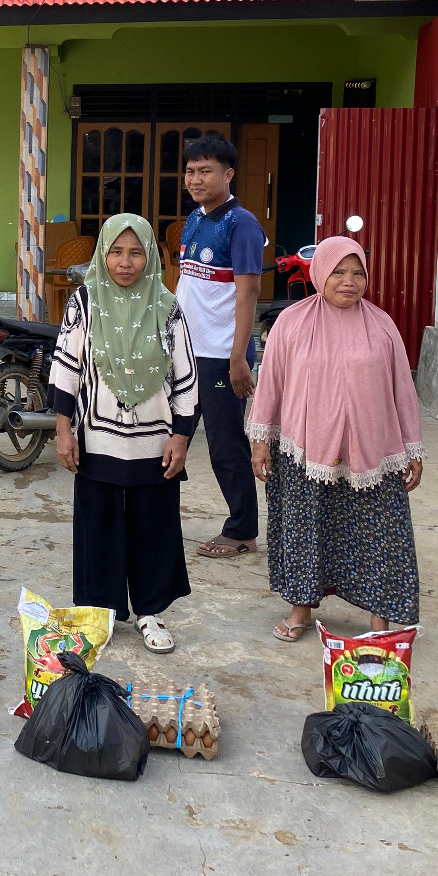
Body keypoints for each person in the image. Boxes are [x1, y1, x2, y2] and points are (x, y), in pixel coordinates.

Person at [246, 237, 424, 641]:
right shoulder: (291, 322)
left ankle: (380, 625)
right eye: (339, 272)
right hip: (304, 452)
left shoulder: (382, 325)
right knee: (306, 529)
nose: (349, 281)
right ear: (320, 273)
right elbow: (270, 386)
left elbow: (402, 390)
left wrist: (412, 447)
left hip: (373, 454)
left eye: (357, 272)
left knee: (379, 534)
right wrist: (260, 442)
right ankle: (300, 611)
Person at [51, 214, 197, 653]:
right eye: (117, 252)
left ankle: (150, 613)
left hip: (155, 443)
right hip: (98, 440)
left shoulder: (168, 307)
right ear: (103, 254)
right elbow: (66, 367)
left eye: (136, 252)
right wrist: (64, 429)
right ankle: (101, 616)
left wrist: (182, 436)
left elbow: (186, 375)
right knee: (98, 527)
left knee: (154, 527)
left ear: (150, 255)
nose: (126, 262)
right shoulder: (85, 302)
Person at [175, 135, 266, 559]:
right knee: (172, 434)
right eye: (191, 170)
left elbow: (248, 294)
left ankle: (243, 529)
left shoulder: (241, 223)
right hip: (185, 351)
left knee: (225, 444)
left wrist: (238, 356)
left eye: (205, 170)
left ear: (228, 175)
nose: (195, 178)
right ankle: (159, 518)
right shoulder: (195, 219)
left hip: (220, 355)